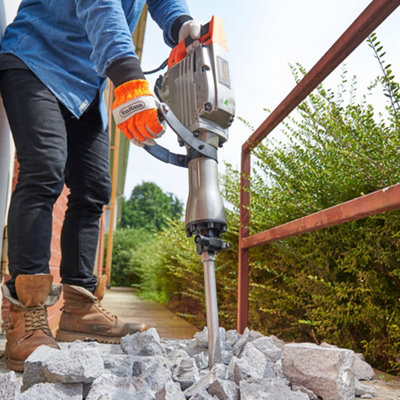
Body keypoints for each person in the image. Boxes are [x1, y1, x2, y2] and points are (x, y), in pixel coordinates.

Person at [0, 0, 201, 372]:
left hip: (84, 83)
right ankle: (25, 316)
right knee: (44, 168)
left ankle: (78, 309)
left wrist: (181, 23)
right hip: (36, 57)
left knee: (94, 188)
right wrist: (127, 74)